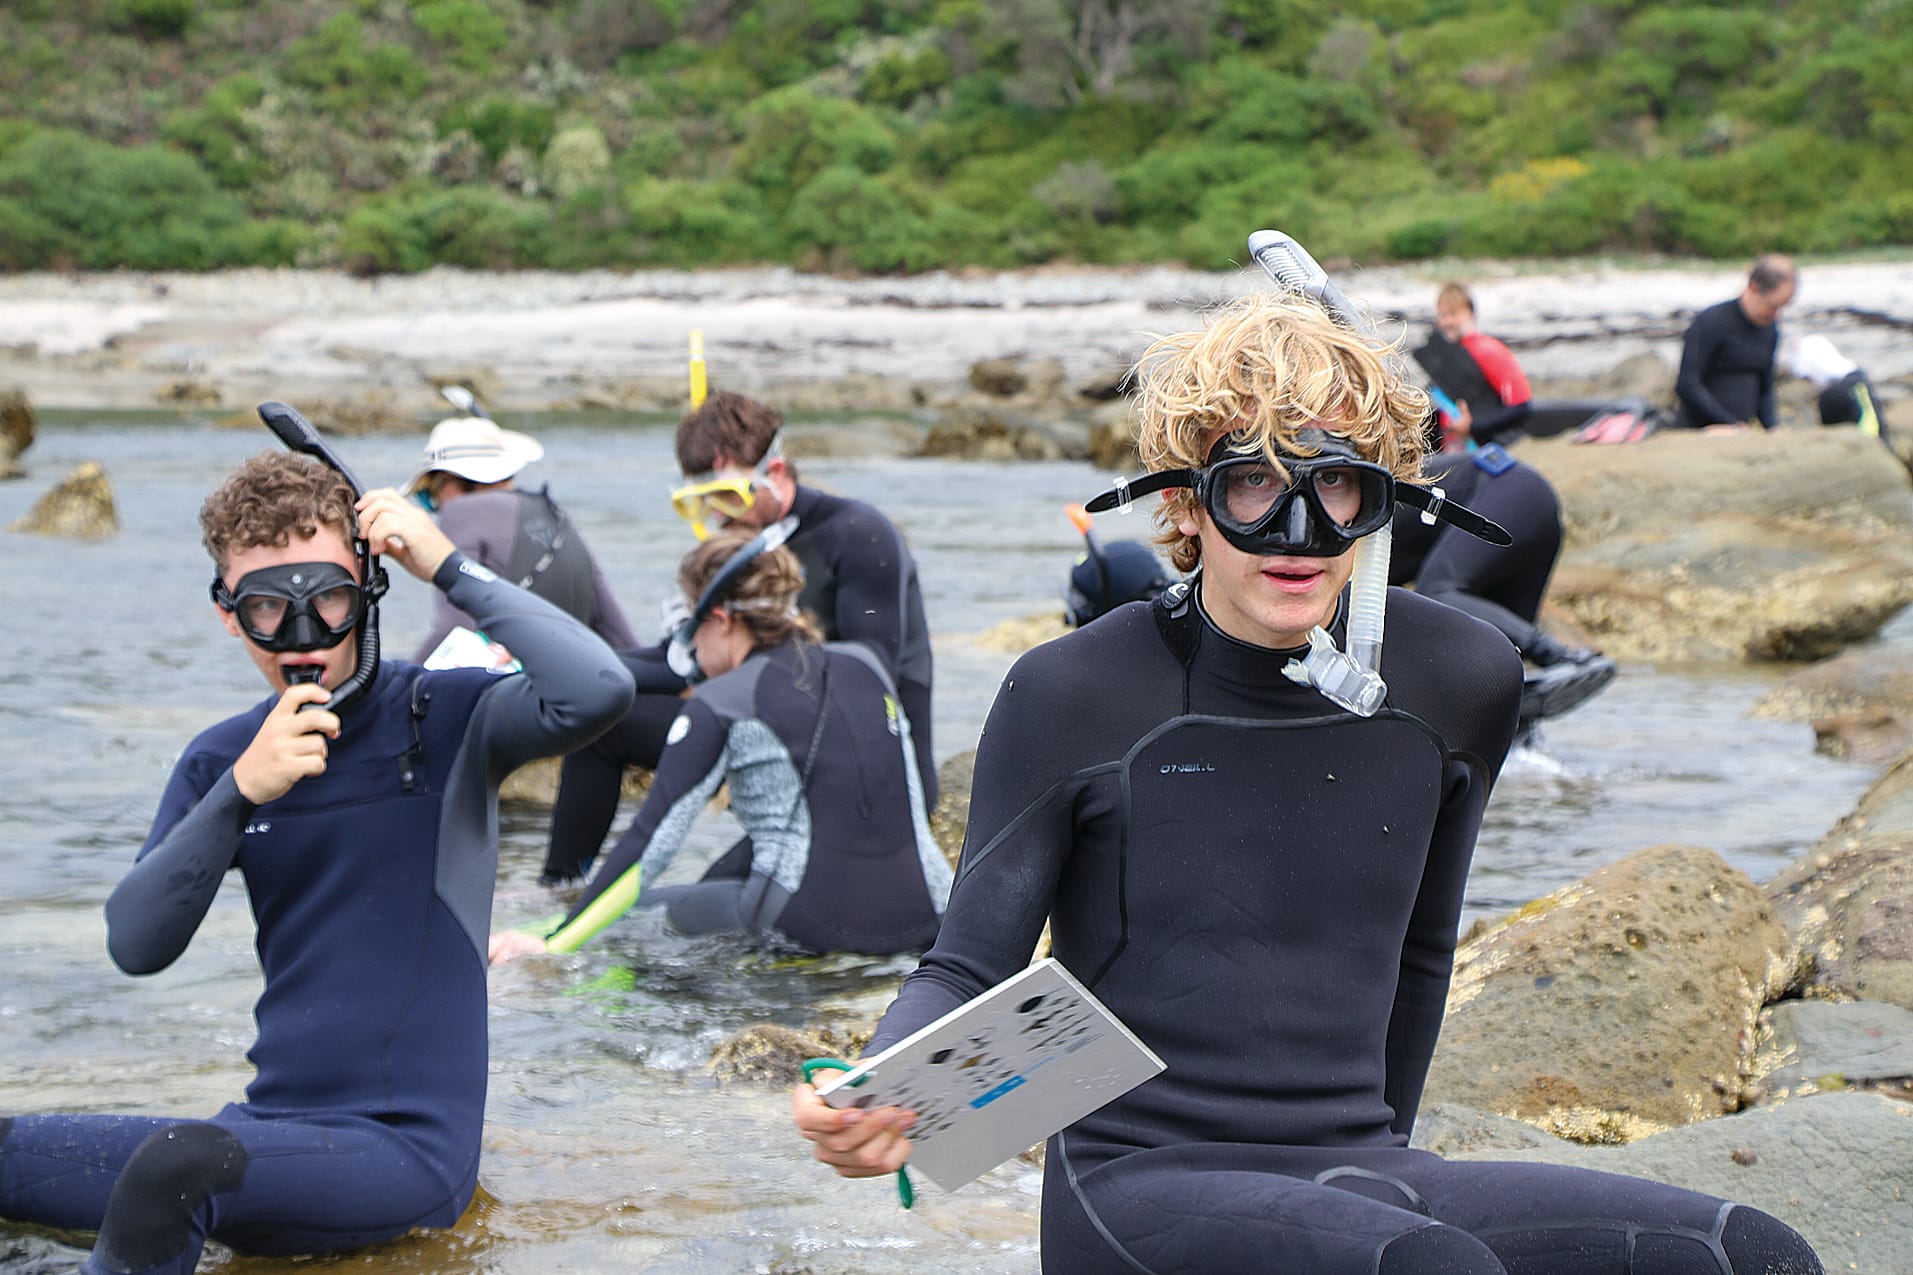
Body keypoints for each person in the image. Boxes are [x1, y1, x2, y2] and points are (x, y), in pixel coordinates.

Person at [789, 290, 1822, 1273]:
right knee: (1425, 1266)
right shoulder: (1076, 691)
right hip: (1136, 1182)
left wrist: (1362, 1196)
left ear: (1382, 500)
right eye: (1252, 482)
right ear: (1186, 501)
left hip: (1361, 1172)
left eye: (1334, 484)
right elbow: (970, 967)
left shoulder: (1457, 680)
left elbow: (1418, 962)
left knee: (1752, 1253)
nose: (1297, 532)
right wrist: (877, 1090)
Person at [0, 449, 634, 1274]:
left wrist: (444, 561)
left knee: (176, 1169)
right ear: (229, 613)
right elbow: (136, 941)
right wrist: (240, 791)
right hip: (270, 1138)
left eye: (327, 598)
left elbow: (601, 687)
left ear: (370, 589)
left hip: (408, 1154)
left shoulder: (445, 719)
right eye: (268, 608)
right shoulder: (224, 758)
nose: (302, 638)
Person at [491, 530, 951, 963]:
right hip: (932, 915)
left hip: (810, 925)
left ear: (720, 619)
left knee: (634, 923)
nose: (688, 649)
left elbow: (650, 846)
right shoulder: (865, 663)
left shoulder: (722, 702)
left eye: (690, 623)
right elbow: (911, 803)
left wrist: (556, 944)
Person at [542, 388, 936, 884]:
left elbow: (869, 676)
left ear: (775, 472)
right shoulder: (739, 548)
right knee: (606, 726)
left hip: (858, 774)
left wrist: (725, 695)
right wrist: (560, 664)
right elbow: (681, 660)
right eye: (701, 504)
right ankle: (559, 887)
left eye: (728, 497)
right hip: (772, 745)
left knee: (715, 912)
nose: (718, 519)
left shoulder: (859, 534)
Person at [1390, 445, 1617, 729]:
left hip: (1507, 495)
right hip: (1524, 510)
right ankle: (1525, 744)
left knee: (1436, 594)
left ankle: (1562, 656)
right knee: (1506, 682)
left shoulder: (1346, 527)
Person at [406, 412, 637, 660]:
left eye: (429, 494)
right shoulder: (556, 518)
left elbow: (452, 632)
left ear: (451, 482)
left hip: (508, 693)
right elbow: (621, 638)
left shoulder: (461, 511)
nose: (436, 507)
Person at [1675, 254, 1797, 431]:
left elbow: (1765, 388)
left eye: (1782, 307)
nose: (1776, 315)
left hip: (1742, 428)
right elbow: (1687, 384)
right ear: (1753, 288)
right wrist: (1728, 423)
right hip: (1702, 428)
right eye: (1772, 307)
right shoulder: (1711, 321)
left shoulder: (1770, 330)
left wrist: (1772, 426)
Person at [1413, 282, 1533, 451]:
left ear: (1470, 312)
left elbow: (1522, 407)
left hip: (1486, 446)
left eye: (1453, 314)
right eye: (1442, 315)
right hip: (1453, 449)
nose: (1446, 322)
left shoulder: (1488, 350)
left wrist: (1473, 426)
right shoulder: (1444, 357)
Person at [1789, 333, 1893, 449]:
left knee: (1836, 433)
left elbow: (1805, 376)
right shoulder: (1817, 341)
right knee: (1873, 430)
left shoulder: (1800, 353)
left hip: (1831, 391)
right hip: (1849, 382)